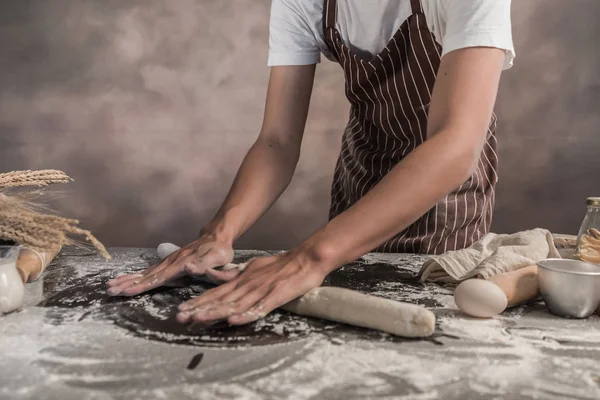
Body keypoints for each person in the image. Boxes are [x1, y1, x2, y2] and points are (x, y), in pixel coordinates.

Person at [107, 0, 515, 326]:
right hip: (360, 179)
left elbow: (456, 143)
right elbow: (277, 140)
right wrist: (220, 233)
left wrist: (310, 257)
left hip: (444, 203)